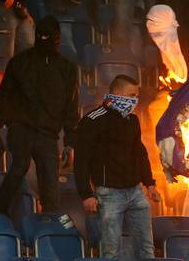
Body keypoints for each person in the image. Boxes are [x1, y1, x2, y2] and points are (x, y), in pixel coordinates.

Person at [0, 15, 79, 214]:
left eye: (48, 36)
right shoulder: (19, 62)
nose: (44, 39)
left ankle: (50, 232)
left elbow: (72, 108)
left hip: (48, 134)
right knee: (19, 167)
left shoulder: (67, 69)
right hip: (21, 128)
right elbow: (5, 97)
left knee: (51, 188)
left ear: (57, 37)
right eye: (41, 35)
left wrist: (71, 143)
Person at [74, 74, 161, 259]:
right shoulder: (93, 119)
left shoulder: (132, 120)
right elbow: (81, 159)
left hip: (136, 192)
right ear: (116, 93)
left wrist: (150, 183)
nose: (134, 100)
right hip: (109, 194)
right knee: (110, 251)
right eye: (131, 95)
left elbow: (140, 153)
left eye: (136, 96)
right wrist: (86, 194)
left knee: (146, 249)